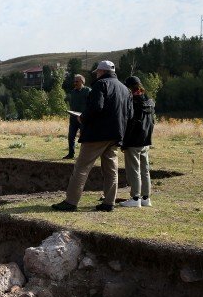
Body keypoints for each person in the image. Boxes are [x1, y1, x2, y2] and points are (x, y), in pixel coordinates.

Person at [52, 61, 132, 212]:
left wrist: (83, 118)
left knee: (81, 167)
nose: (96, 74)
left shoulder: (100, 85)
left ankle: (71, 202)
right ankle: (109, 203)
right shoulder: (125, 89)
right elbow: (130, 113)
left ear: (102, 71)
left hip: (97, 134)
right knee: (111, 169)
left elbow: (96, 107)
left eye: (97, 72)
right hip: (116, 134)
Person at [119, 76, 155, 208]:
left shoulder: (132, 102)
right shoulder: (149, 101)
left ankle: (135, 198)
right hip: (146, 140)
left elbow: (128, 124)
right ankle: (146, 198)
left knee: (134, 170)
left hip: (133, 141)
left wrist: (124, 142)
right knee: (145, 170)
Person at [64, 73, 90, 159]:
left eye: (77, 81)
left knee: (84, 138)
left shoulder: (88, 91)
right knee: (71, 136)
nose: (75, 83)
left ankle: (84, 156)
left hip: (83, 119)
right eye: (74, 81)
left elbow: (91, 105)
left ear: (82, 81)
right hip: (73, 118)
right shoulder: (73, 92)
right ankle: (71, 154)